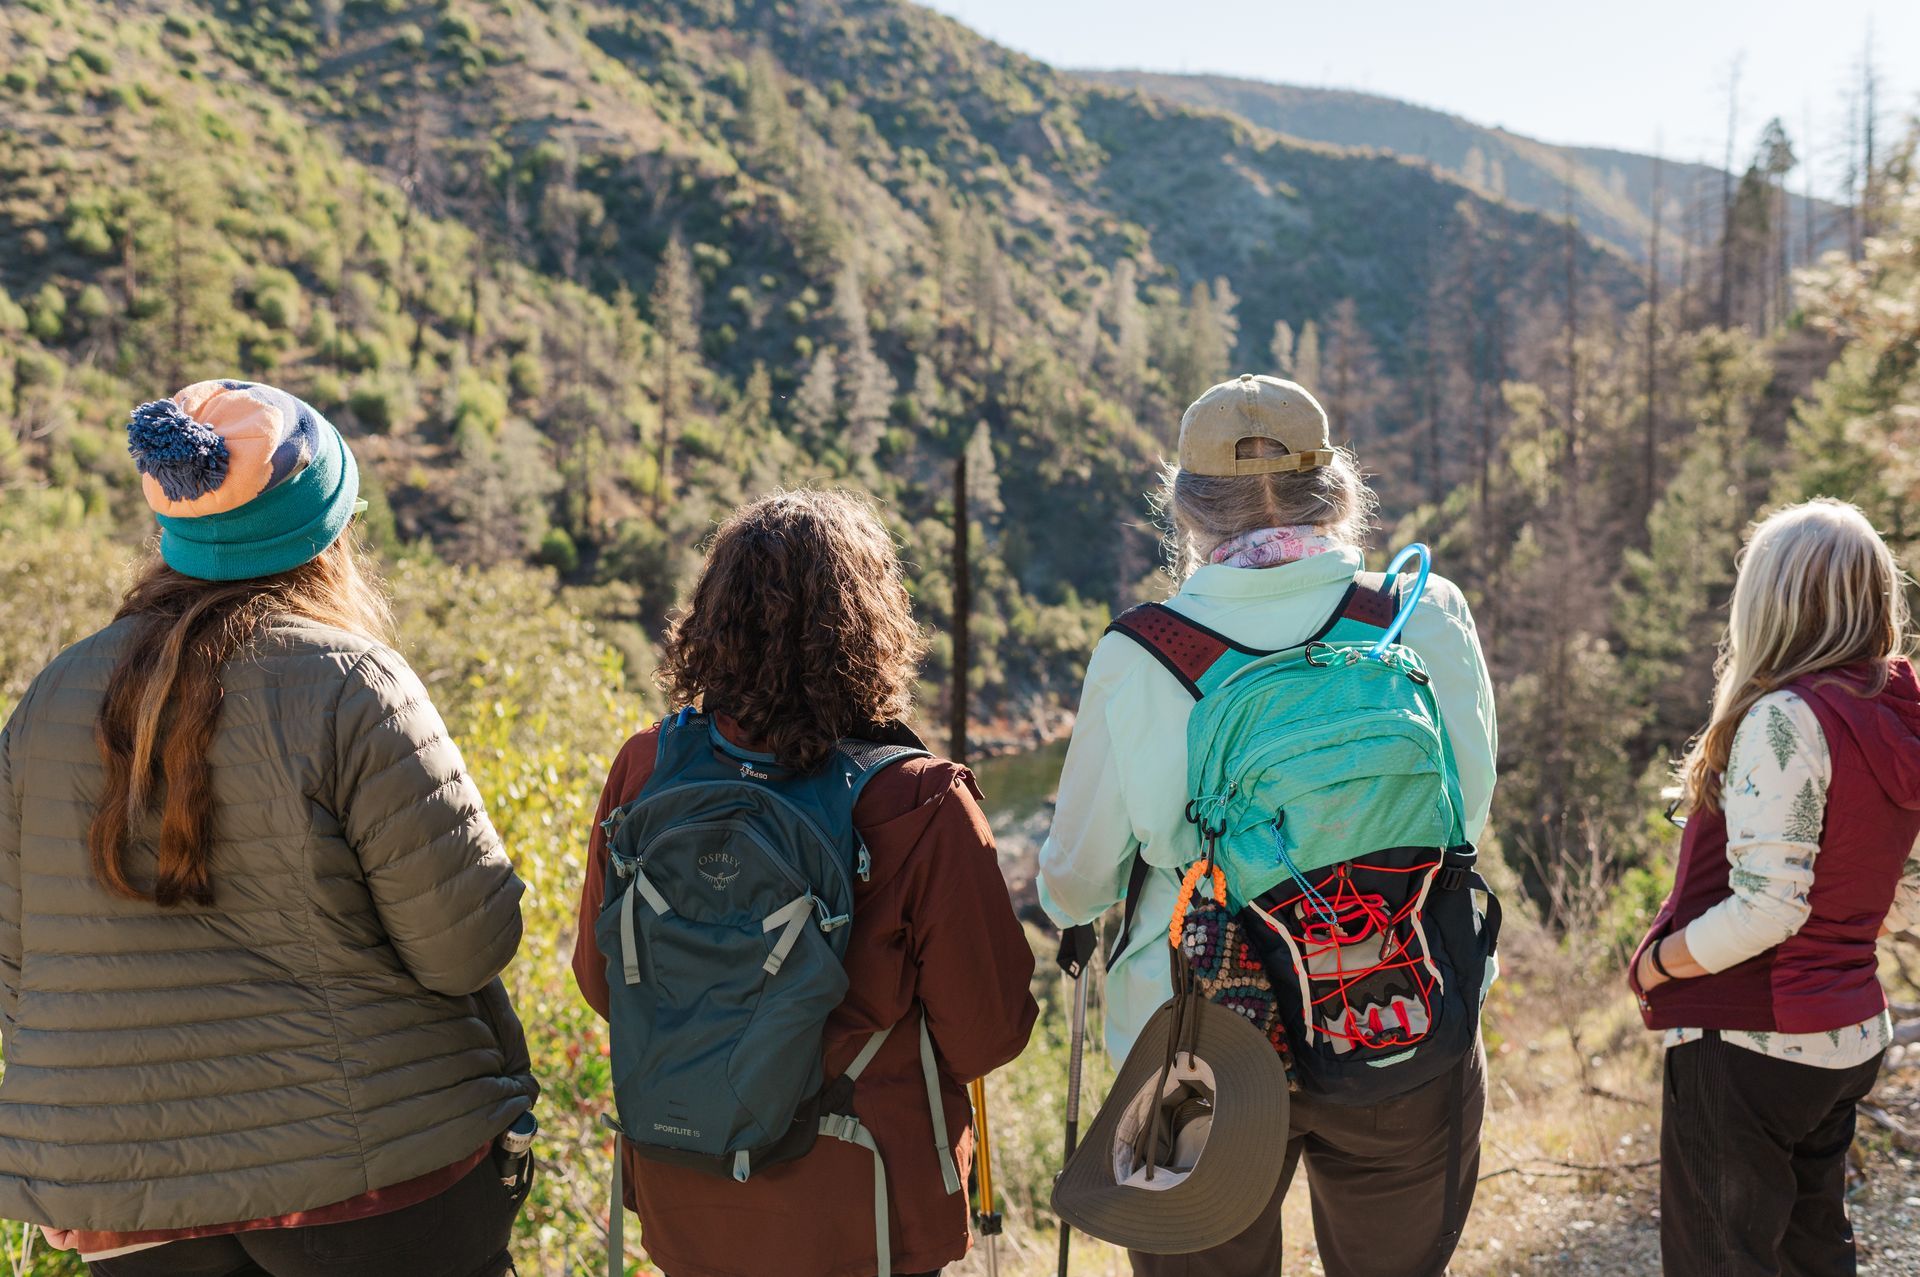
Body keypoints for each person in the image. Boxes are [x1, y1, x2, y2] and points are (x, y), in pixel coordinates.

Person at [0, 381, 538, 1274]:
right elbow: (466, 948)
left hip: (128, 1201)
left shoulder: (51, 698)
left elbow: (19, 961)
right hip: (376, 1180)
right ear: (325, 535)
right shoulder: (354, 683)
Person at [1040, 374, 1499, 1277]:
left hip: (1200, 1036)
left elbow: (1080, 881)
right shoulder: (1419, 615)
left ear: (1185, 507)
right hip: (1393, 1000)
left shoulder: (1142, 653)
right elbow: (1465, 814)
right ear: (1335, 489)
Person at [572, 488, 1037, 1277]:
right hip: (865, 1216)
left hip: (689, 1197)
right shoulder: (921, 800)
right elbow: (988, 1032)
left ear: (712, 619)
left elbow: (601, 978)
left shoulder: (647, 766)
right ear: (871, 627)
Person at [1631, 498, 1920, 1277]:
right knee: (1811, 1248)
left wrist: (1658, 964)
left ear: (1772, 600)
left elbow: (1769, 906)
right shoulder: (1893, 706)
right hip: (1846, 1028)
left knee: (1722, 1259)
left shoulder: (1788, 718)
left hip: (1755, 1034)